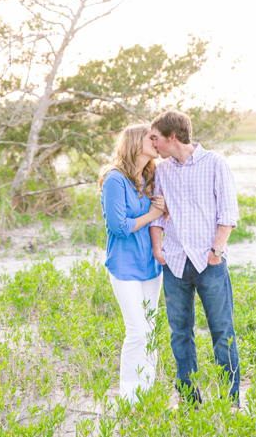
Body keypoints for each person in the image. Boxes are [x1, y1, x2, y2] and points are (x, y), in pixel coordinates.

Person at [149, 110, 240, 406]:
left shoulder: (215, 163)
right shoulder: (162, 170)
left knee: (222, 331)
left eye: (156, 138)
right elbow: (159, 217)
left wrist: (216, 252)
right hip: (174, 263)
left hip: (209, 262)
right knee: (179, 333)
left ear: (172, 137)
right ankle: (190, 401)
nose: (154, 144)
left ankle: (230, 402)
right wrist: (158, 249)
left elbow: (228, 213)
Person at [99, 124, 166, 404]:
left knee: (149, 329)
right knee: (137, 330)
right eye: (152, 137)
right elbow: (119, 227)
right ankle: (129, 396)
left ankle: (146, 390)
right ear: (136, 143)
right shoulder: (115, 179)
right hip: (125, 265)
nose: (157, 141)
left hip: (151, 265)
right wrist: (153, 213)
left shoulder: (151, 176)